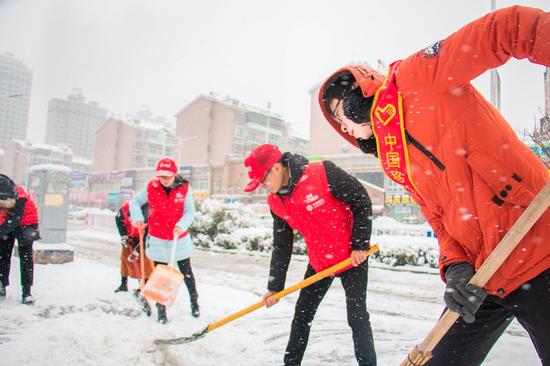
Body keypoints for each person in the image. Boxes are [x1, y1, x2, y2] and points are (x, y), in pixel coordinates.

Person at [318, 5, 550, 365]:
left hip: (539, 249)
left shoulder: (419, 76)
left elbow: (506, 28)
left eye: (338, 111)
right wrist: (455, 266)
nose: (341, 125)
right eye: (335, 122)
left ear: (359, 92)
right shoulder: (395, 161)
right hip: (484, 276)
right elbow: (440, 222)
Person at [243, 144, 377, 366]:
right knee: (302, 316)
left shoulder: (322, 173)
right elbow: (282, 245)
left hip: (352, 258)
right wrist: (275, 287)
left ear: (276, 168)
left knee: (357, 318)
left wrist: (359, 245)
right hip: (320, 263)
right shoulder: (276, 202)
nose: (264, 187)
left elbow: (361, 201)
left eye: (263, 180)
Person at [130, 157, 199, 324]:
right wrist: (138, 218)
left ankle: (194, 302)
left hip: (178, 237)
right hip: (158, 237)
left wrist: (181, 225)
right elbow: (135, 202)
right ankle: (161, 311)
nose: (164, 180)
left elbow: (190, 211)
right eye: (161, 176)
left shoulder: (184, 188)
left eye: (167, 176)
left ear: (174, 174)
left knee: (186, 272)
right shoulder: (151, 187)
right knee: (161, 276)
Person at [0, 174, 40, 305]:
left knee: (26, 256)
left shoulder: (20, 196)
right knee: (3, 255)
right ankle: (2, 285)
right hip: (7, 221)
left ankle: (27, 292)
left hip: (27, 222)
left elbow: (14, 220)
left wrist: (1, 230)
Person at [114, 201, 155, 293]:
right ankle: (123, 284)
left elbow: (148, 235)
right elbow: (119, 222)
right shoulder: (123, 211)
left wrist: (138, 249)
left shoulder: (149, 215)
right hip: (130, 235)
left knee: (145, 261)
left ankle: (144, 286)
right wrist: (124, 236)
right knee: (125, 258)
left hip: (144, 236)